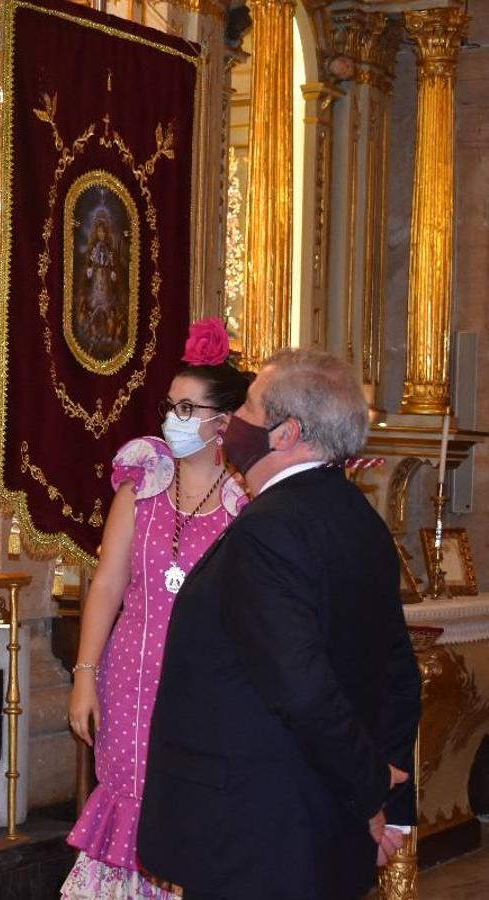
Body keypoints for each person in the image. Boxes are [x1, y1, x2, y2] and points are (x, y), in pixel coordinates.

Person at [138, 348, 421, 900]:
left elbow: (302, 687)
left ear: (287, 433)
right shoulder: (360, 520)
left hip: (256, 833)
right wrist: (389, 805)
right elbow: (398, 676)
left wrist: (371, 795)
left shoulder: (269, 529)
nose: (233, 422)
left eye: (247, 405)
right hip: (312, 826)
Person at [62, 318, 252, 899]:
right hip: (127, 680)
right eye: (171, 406)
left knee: (187, 803)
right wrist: (84, 678)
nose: (175, 418)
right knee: (127, 796)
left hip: (202, 690)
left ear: (223, 422)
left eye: (189, 409)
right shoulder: (140, 483)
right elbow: (107, 586)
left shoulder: (244, 502)